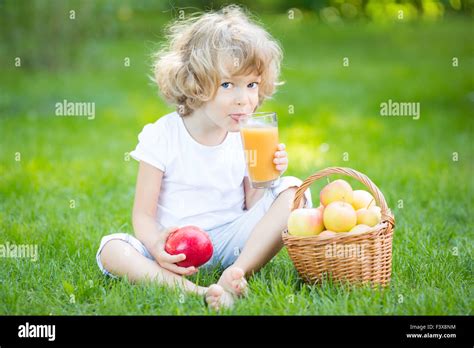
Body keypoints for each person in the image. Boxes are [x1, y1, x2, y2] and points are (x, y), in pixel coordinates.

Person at [95, 5, 312, 310]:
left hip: (233, 243)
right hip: (176, 247)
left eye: (251, 85)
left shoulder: (247, 134)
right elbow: (143, 215)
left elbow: (252, 205)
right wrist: (157, 245)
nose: (244, 98)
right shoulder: (163, 135)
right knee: (112, 248)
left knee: (293, 190)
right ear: (195, 84)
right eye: (228, 85)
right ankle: (191, 289)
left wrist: (267, 178)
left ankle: (235, 273)